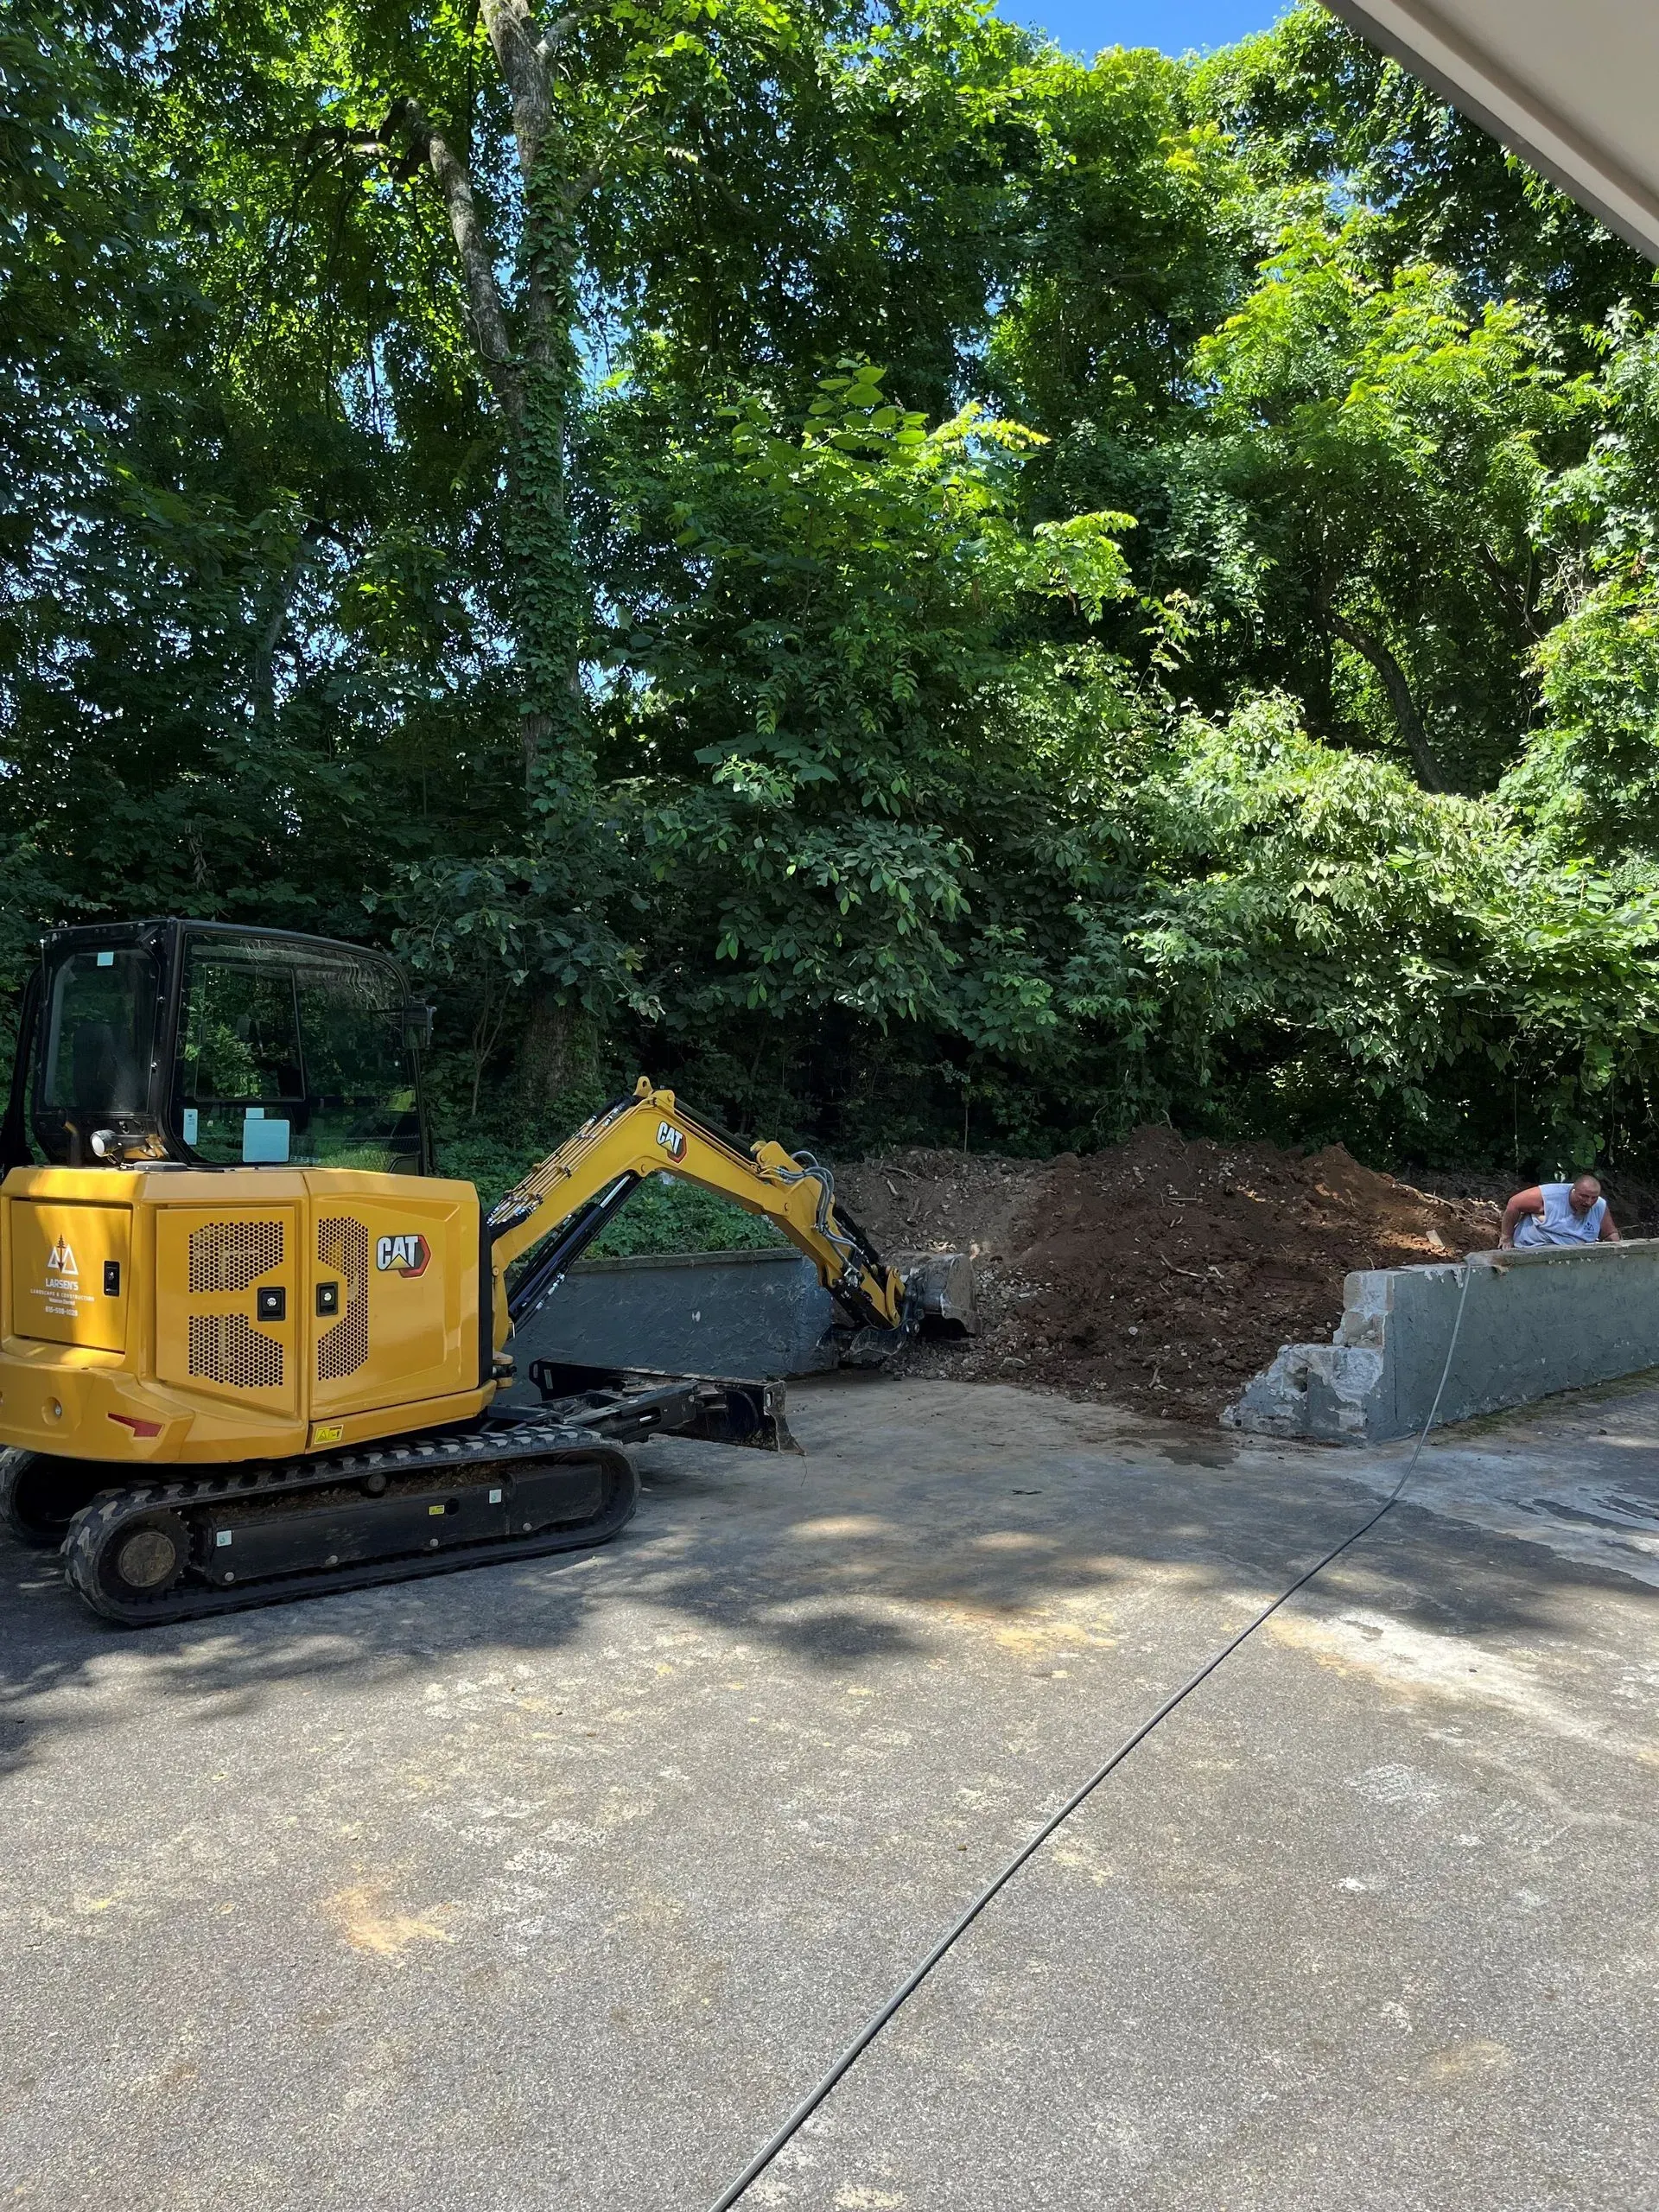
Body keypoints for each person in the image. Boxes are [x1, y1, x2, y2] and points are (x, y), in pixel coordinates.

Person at [1499, 1174, 1620, 1250]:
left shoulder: (1599, 1205)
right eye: (1584, 1196)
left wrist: (1617, 1251)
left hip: (1576, 1257)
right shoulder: (1549, 1196)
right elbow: (1514, 1203)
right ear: (1573, 1191)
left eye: (1593, 1198)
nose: (1588, 1202)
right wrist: (1506, 1237)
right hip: (1533, 1250)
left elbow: (1610, 1234)